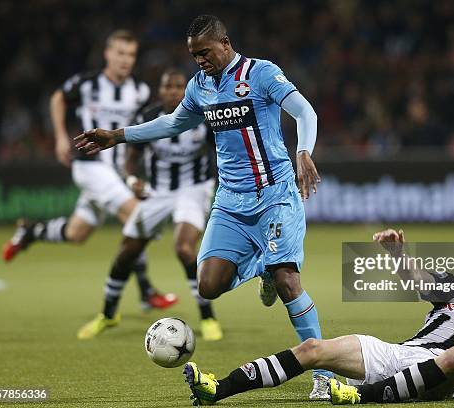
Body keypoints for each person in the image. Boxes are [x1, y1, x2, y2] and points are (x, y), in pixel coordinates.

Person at [74, 15, 332, 399]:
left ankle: (323, 374)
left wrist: (303, 150)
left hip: (275, 194)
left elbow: (305, 112)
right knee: (209, 286)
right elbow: (172, 123)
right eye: (194, 55)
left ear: (225, 43)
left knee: (288, 281)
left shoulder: (260, 73)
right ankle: (265, 265)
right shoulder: (200, 87)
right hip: (229, 202)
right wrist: (117, 136)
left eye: (205, 53)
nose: (200, 61)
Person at [182, 227, 454, 405]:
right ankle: (217, 389)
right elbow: (415, 279)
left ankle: (358, 397)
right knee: (313, 348)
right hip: (398, 357)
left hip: (444, 379)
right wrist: (397, 252)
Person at [2, 30, 177, 313]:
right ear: (107, 53)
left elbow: (145, 125)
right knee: (137, 216)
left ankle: (31, 232)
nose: (125, 60)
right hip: (90, 166)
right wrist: (60, 136)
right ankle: (146, 292)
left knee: (76, 233)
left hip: (117, 171)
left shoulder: (141, 91)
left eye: (131, 55)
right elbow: (58, 98)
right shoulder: (87, 84)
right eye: (120, 53)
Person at [77, 69, 222, 341]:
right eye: (168, 86)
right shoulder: (148, 118)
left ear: (187, 90)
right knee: (127, 252)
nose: (173, 91)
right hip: (158, 192)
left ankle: (208, 317)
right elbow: (130, 159)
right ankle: (108, 315)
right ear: (161, 90)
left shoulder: (205, 116)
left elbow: (221, 151)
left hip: (194, 189)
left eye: (179, 86)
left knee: (183, 247)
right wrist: (132, 179)